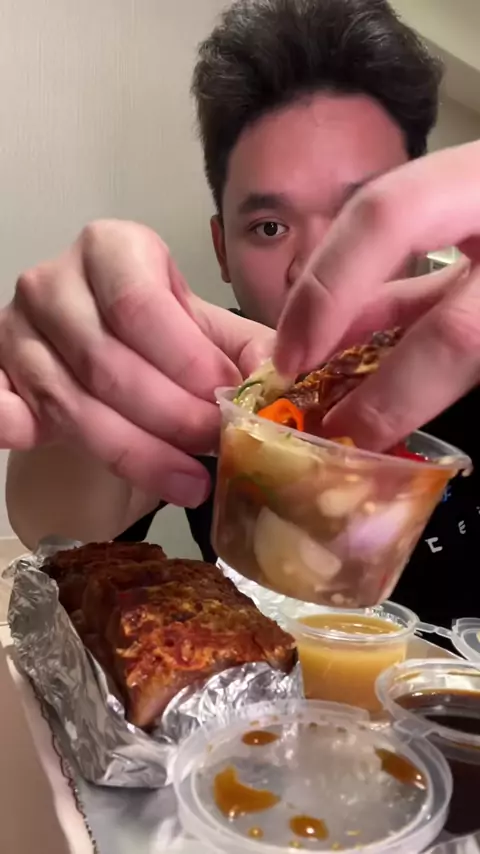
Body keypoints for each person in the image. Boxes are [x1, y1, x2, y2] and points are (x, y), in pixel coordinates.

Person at [3, 0, 480, 625]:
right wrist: (80, 359)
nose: (315, 267)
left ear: (425, 230)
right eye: (270, 226)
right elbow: (55, 523)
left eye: (360, 216)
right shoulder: (218, 381)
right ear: (222, 251)